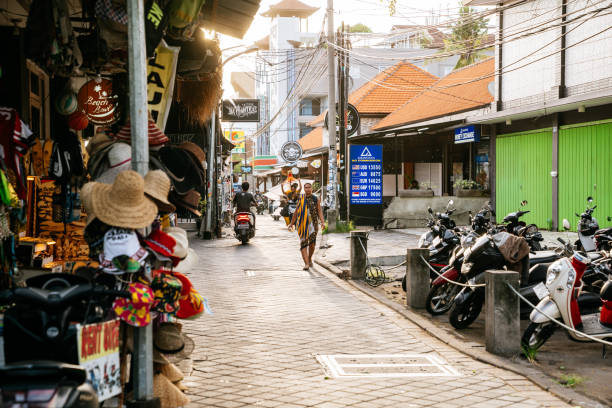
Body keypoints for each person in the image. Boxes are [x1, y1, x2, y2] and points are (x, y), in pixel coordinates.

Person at [287, 182, 325, 270]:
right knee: (303, 243)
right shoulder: (301, 198)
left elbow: (319, 211)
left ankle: (310, 258)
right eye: (306, 187)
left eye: (309, 187)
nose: (307, 189)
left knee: (312, 245)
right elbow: (296, 212)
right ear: (304, 189)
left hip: (313, 224)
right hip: (302, 224)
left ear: (311, 189)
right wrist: (291, 223)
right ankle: (306, 263)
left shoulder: (316, 199)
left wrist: (322, 222)